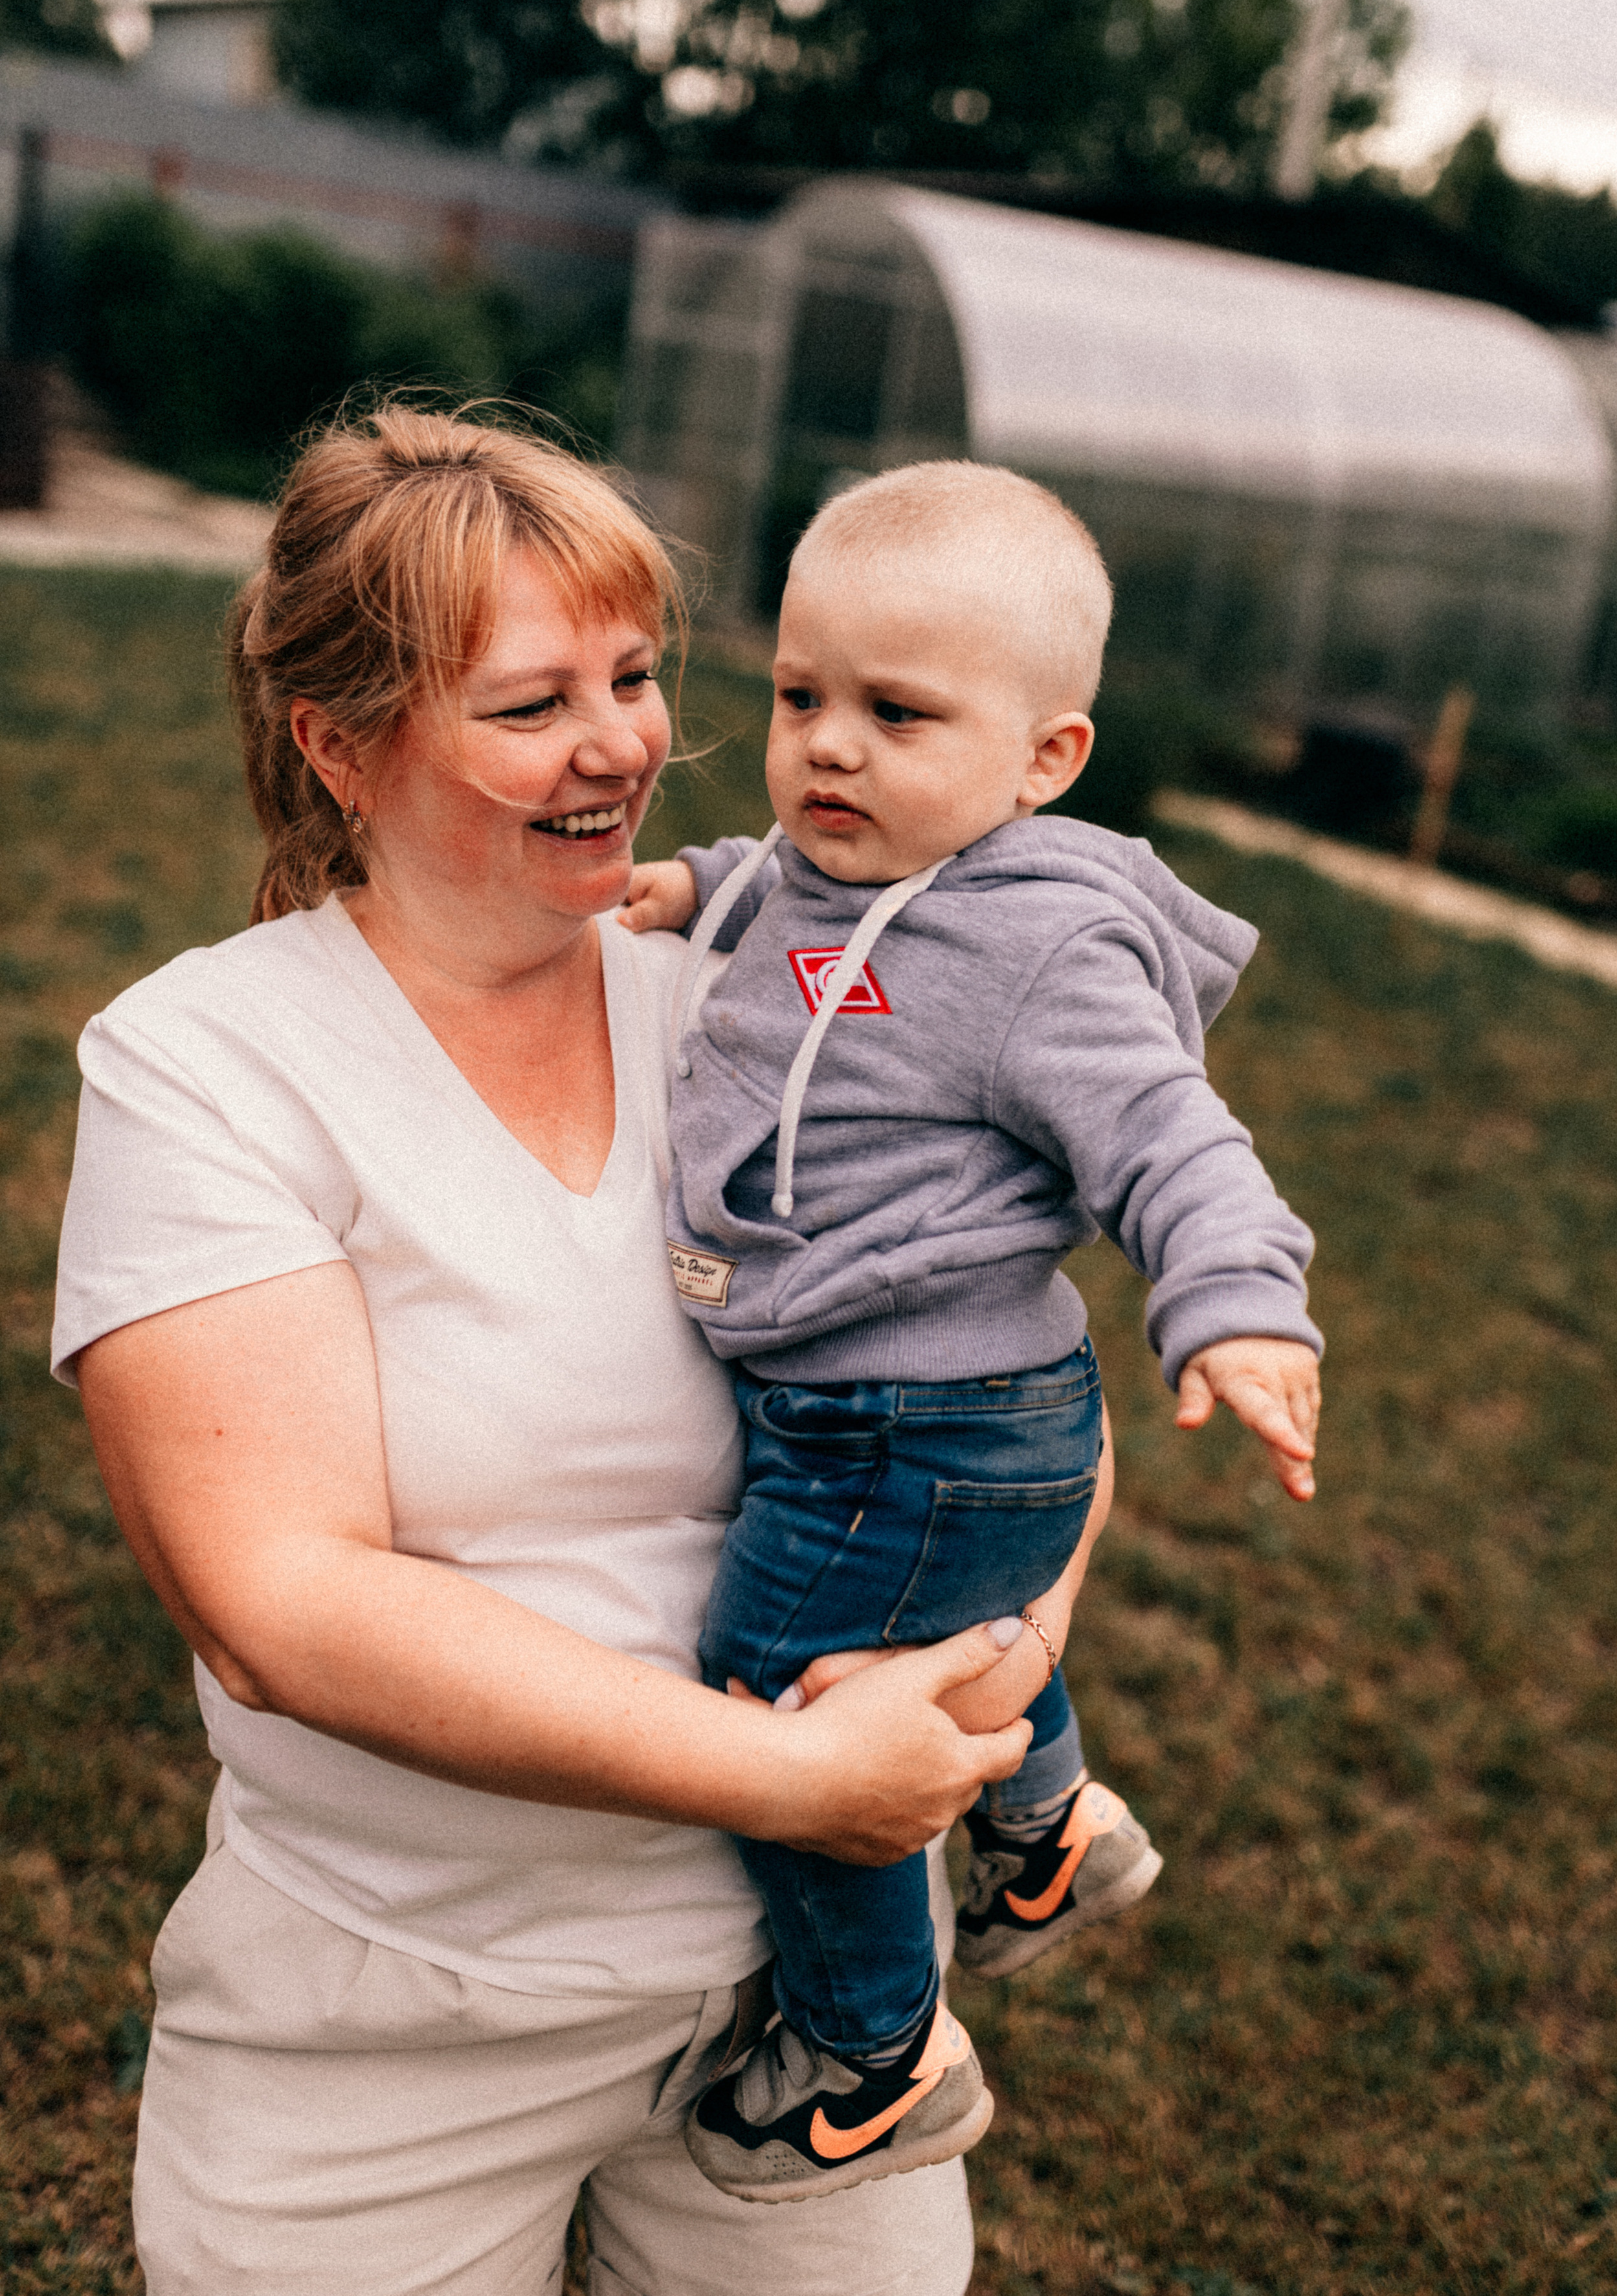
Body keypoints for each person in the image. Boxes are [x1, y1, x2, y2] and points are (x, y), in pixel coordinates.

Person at [49, 409, 1096, 2296]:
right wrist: (794, 1779)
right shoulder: (207, 1063)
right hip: (398, 2021)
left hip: (805, 2003)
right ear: (341, 744)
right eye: (532, 705)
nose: (622, 743)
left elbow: (1016, 1378)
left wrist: (999, 1664)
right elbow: (275, 1600)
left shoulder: (775, 993)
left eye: (633, 677)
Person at [619, 461, 1323, 2203]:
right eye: (800, 698)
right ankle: (1047, 1829)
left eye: (897, 714)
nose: (829, 751)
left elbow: (1180, 1143)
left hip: (915, 1422)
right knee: (943, 1628)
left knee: (788, 1699)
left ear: (1043, 761)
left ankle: (871, 2051)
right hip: (920, 1419)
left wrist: (1237, 1309)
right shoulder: (818, 875)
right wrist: (692, 884)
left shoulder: (1039, 957)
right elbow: (792, 920)